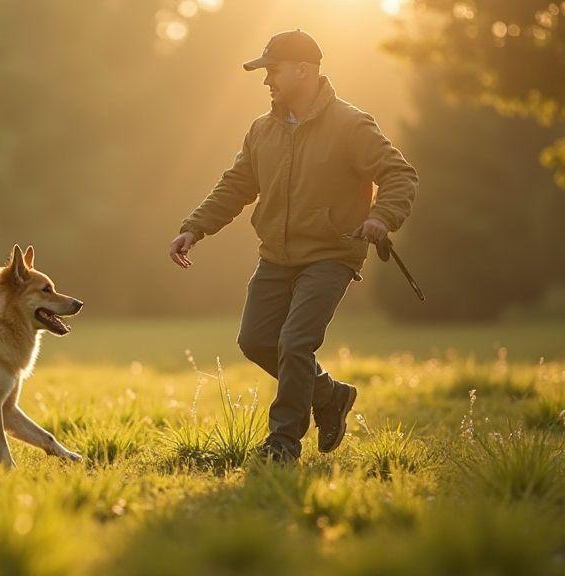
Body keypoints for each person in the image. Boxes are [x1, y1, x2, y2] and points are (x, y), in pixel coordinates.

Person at [169, 29, 419, 463]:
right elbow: (236, 185)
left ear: (304, 70)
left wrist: (381, 217)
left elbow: (400, 174)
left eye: (274, 70)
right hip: (276, 256)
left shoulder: (350, 124)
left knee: (295, 342)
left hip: (331, 253)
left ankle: (283, 443)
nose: (267, 80)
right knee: (255, 340)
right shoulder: (262, 130)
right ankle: (330, 396)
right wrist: (195, 227)